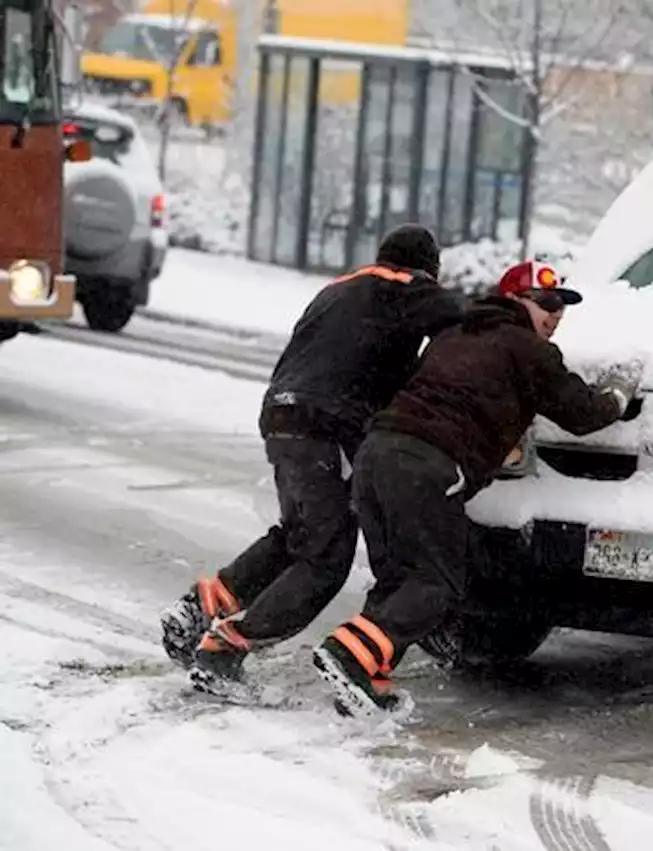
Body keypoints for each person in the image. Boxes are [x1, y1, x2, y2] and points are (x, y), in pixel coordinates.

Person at [310, 260, 643, 716]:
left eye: (562, 305)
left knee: (398, 578)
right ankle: (349, 654)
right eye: (545, 302)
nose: (556, 313)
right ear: (513, 301)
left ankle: (366, 675)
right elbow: (581, 413)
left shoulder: (454, 333)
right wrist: (620, 396)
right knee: (437, 583)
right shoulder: (528, 349)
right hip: (428, 466)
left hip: (377, 455)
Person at [159, 224, 467, 699]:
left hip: (283, 411)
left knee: (299, 536)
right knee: (325, 557)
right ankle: (223, 652)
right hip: (326, 422)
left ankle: (202, 606)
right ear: (425, 267)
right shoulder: (404, 287)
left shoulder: (337, 289)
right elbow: (460, 318)